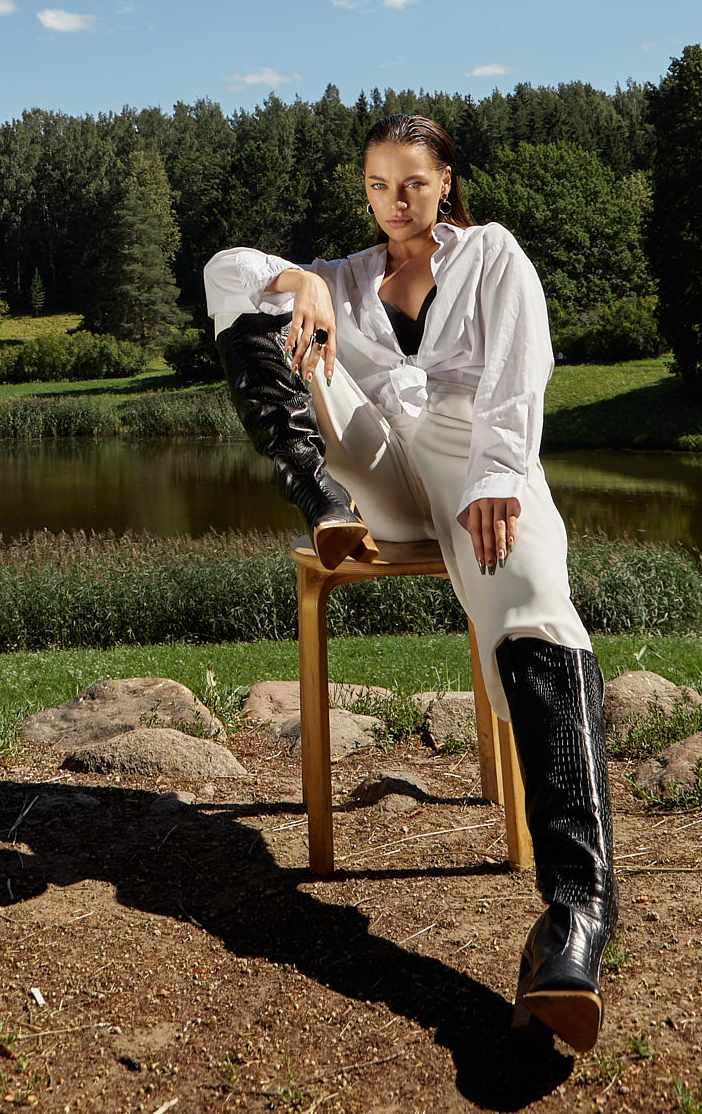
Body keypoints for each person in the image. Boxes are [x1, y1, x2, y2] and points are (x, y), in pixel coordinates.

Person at [204, 112, 616, 1053]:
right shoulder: (344, 280)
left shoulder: (492, 255)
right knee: (246, 292)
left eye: (415, 183)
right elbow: (230, 273)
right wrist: (300, 281)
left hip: (477, 457)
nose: (398, 201)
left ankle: (575, 918)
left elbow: (521, 371)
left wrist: (501, 477)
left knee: (535, 609)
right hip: (378, 470)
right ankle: (314, 495)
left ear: (445, 183)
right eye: (380, 186)